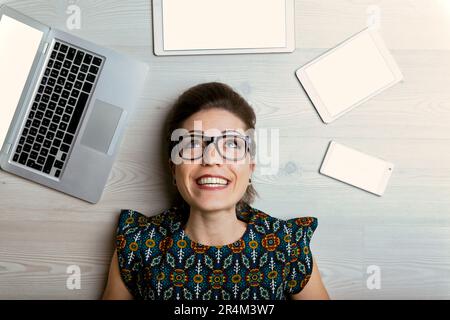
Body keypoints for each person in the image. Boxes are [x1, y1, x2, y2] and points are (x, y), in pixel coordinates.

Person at [102, 82, 329, 300]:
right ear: (173, 168)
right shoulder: (138, 243)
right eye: (192, 143)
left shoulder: (286, 244)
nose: (211, 158)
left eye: (231, 144)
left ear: (250, 168)